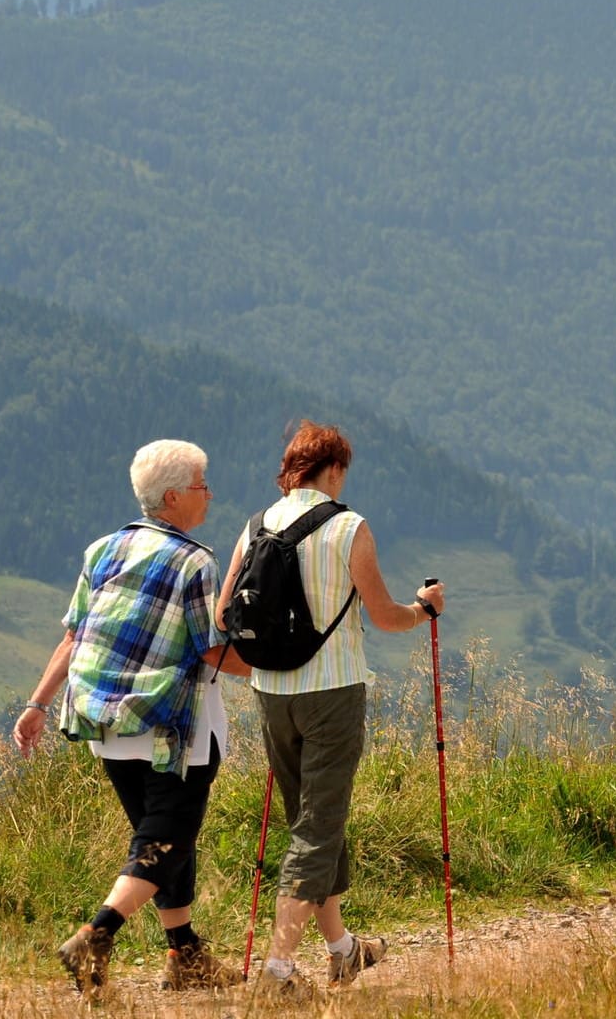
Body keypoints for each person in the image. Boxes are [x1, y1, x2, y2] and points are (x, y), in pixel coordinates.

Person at [13, 440, 252, 998]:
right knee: (166, 840)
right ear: (173, 496)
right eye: (201, 484)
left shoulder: (103, 550)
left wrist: (38, 703)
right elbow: (211, 649)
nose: (209, 493)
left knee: (161, 840)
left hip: (103, 723)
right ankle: (97, 935)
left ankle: (185, 955)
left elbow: (76, 632)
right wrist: (278, 673)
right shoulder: (195, 561)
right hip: (171, 728)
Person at [219, 421, 445, 999]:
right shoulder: (349, 527)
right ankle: (276, 974)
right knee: (318, 829)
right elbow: (386, 616)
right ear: (335, 469)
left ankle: (344, 951)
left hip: (270, 695)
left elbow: (226, 616)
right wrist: (424, 610)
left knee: (314, 821)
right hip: (333, 693)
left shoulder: (254, 527)